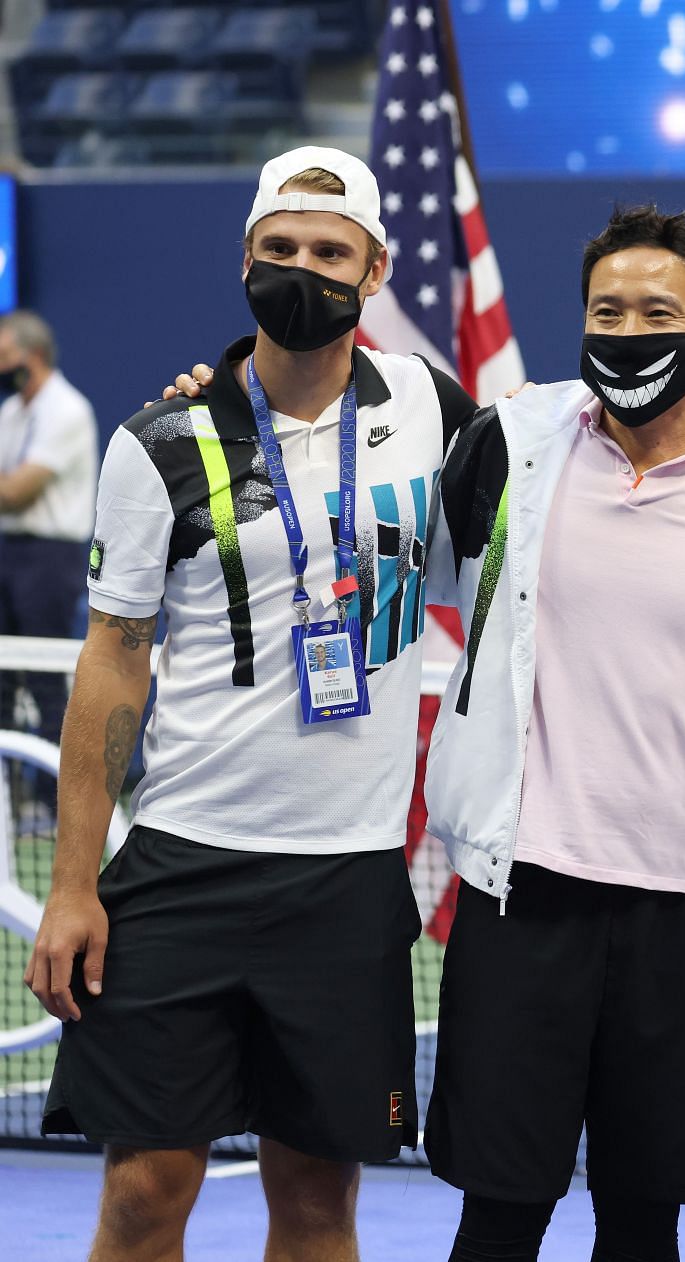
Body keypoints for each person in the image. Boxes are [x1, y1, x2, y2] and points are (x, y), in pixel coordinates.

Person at [23, 146, 480, 1262]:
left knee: (318, 1203)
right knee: (142, 1193)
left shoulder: (433, 408)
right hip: (183, 872)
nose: (302, 269)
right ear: (243, 262)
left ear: (375, 271)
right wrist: (73, 884)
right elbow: (113, 660)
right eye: (278, 249)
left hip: (350, 878)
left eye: (330, 252)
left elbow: (549, 507)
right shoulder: (160, 440)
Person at [421, 204, 685, 1262]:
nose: (627, 329)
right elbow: (403, 565)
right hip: (525, 891)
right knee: (499, 1215)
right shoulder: (508, 444)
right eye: (607, 308)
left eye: (657, 310)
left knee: (645, 1224)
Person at [0, 309, 98, 809]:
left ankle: (53, 801)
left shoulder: (66, 409)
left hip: (50, 558)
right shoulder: (11, 411)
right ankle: (10, 803)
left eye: (3, 353)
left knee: (44, 682)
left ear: (30, 354)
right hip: (8, 552)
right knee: (2, 679)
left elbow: (17, 492)